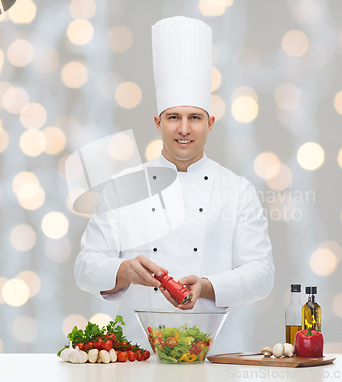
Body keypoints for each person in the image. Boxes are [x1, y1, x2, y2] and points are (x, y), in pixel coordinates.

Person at [74, 16, 274, 353]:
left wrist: (208, 286)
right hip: (138, 353)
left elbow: (262, 274)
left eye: (194, 117)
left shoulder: (236, 189)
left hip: (216, 352)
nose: (184, 129)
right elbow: (85, 267)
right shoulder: (125, 186)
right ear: (158, 122)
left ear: (210, 122)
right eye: (173, 117)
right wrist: (124, 270)